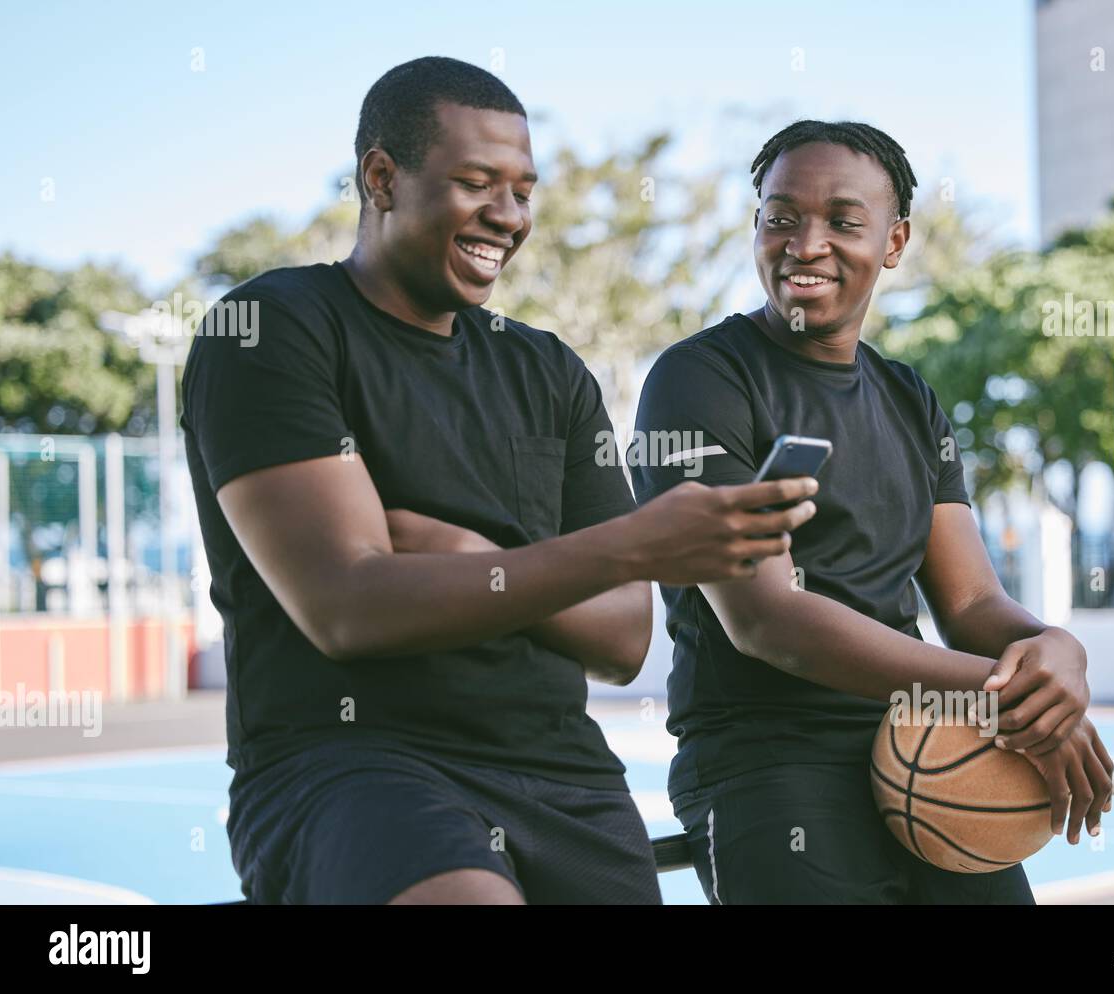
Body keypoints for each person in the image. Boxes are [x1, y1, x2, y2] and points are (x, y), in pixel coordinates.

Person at [181, 57, 817, 905]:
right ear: (380, 178)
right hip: (355, 765)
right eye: (477, 183)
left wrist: (469, 550)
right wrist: (620, 548)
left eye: (523, 190)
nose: (507, 216)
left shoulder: (548, 368)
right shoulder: (270, 330)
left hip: (561, 776)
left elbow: (624, 638)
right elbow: (348, 606)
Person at [630, 119, 1114, 904]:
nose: (805, 242)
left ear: (893, 242)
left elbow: (970, 602)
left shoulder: (909, 398)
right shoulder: (698, 382)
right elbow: (768, 621)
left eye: (843, 222)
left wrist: (1055, 652)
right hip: (769, 763)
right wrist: (1011, 697)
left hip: (934, 745)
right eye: (780, 217)